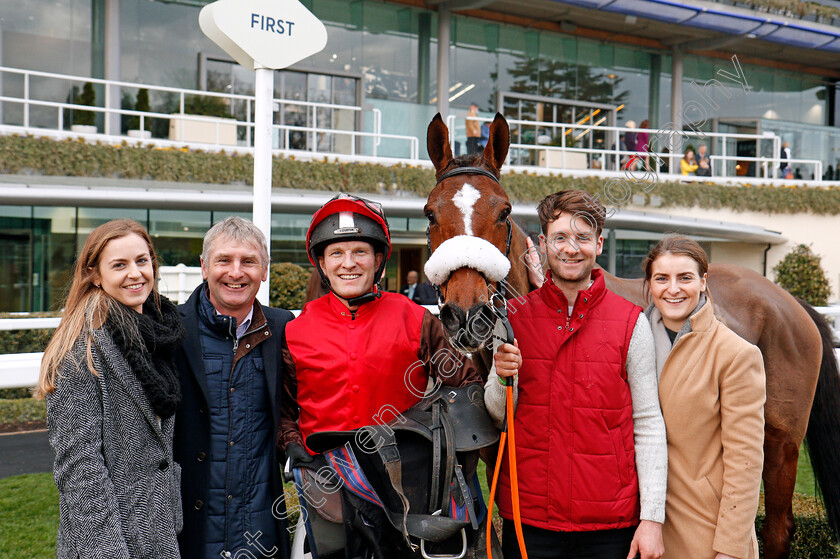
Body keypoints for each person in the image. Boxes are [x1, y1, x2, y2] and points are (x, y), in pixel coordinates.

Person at [278, 192, 482, 555]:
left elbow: (467, 388)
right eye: (336, 253)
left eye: (359, 252)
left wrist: (439, 448)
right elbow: (283, 409)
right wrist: (294, 446)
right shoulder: (295, 330)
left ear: (377, 260)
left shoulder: (414, 318)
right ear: (322, 264)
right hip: (330, 490)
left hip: (407, 492)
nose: (348, 264)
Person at [489, 190, 667, 559]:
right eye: (560, 238)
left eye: (582, 237)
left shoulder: (631, 323)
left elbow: (648, 422)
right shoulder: (511, 318)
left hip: (610, 526)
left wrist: (651, 519)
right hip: (530, 521)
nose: (571, 249)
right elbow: (498, 414)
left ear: (598, 243)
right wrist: (500, 375)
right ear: (542, 244)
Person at [39, 218, 185, 559]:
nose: (135, 274)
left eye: (141, 260)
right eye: (119, 265)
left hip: (158, 531)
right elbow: (80, 469)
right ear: (94, 274)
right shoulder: (81, 352)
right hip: (111, 542)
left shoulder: (159, 332)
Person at [173, 217, 295, 559]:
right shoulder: (171, 330)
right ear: (204, 267)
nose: (236, 272)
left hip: (261, 528)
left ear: (265, 270)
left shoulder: (284, 327)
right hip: (188, 528)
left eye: (249, 261)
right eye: (224, 260)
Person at [642, 236, 765, 559]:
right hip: (642, 531)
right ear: (649, 285)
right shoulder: (632, 343)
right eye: (662, 278)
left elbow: (746, 462)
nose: (673, 289)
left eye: (685, 277)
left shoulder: (736, 355)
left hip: (705, 535)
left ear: (703, 282)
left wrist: (731, 548)